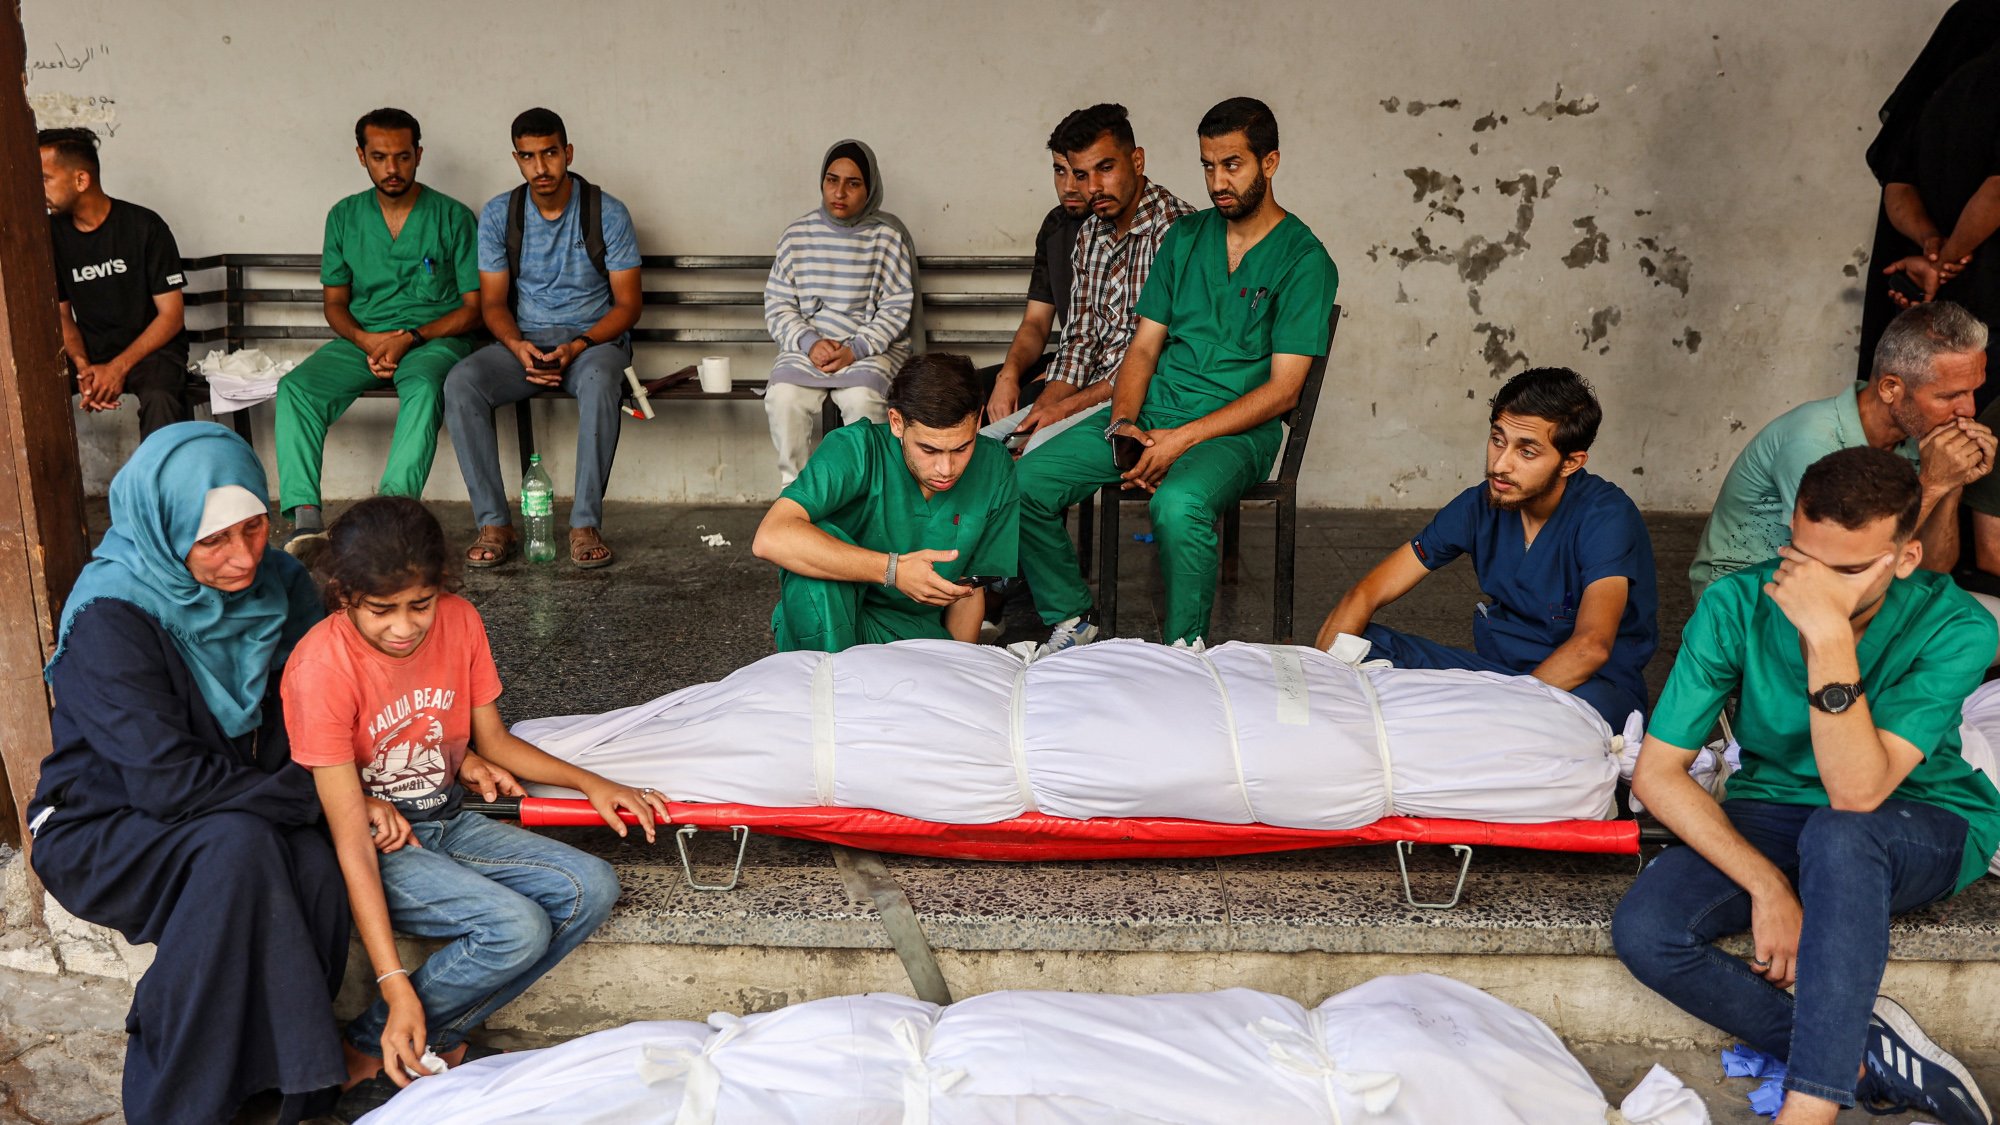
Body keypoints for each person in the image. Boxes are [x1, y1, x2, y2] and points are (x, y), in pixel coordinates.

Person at [1614, 447, 2000, 1125]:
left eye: (1844, 570)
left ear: (1905, 557)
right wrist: (1768, 885)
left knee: (1840, 832)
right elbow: (1657, 772)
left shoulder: (1957, 624)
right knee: (1647, 927)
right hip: (1777, 810)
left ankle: (1811, 1106)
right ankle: (1854, 1052)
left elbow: (1858, 793)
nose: (1813, 583)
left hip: (1919, 816)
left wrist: (1826, 635)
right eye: (1801, 557)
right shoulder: (1739, 601)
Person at [281, 496, 662, 1121]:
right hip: (375, 848)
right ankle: (384, 1037)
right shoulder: (321, 668)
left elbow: (496, 741)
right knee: (516, 927)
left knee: (592, 884)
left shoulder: (459, 622)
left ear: (440, 589)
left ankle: (393, 1039)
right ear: (343, 594)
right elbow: (349, 839)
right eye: (382, 611)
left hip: (446, 820)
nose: (404, 627)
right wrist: (392, 980)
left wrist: (592, 782)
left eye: (419, 605)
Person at [27, 423, 347, 1125]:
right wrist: (314, 792)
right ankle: (177, 1102)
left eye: (256, 527)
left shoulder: (283, 584)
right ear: (166, 529)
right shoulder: (113, 613)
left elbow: (314, 710)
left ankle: (284, 1091)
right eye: (214, 541)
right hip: (104, 821)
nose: (243, 558)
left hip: (237, 806)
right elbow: (165, 781)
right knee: (243, 851)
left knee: (316, 869)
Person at [1012, 97, 1338, 652]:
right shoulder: (1185, 239)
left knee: (1178, 504)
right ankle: (1072, 617)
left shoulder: (1305, 261)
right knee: (1024, 483)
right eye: (1208, 166)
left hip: (1235, 433)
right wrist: (1123, 426)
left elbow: (1283, 392)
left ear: (1271, 162)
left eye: (1232, 164)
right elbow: (1142, 349)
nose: (1217, 182)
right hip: (1156, 412)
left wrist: (1179, 442)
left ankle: (1186, 650)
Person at [1312, 367, 1657, 728]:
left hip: (1586, 688)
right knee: (1358, 642)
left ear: (1570, 462)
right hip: (1498, 679)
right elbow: (1367, 593)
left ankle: (1474, 727)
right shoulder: (1480, 505)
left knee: (1585, 719)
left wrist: (1502, 714)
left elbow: (1591, 646)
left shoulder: (1606, 516)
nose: (1500, 464)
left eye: (1527, 452)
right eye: (1497, 439)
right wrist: (1322, 676)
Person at [444, 108, 642, 570]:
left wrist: (578, 346)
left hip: (593, 346)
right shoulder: (500, 214)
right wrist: (517, 347)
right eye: (529, 156)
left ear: (567, 153)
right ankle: (495, 523)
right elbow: (492, 303)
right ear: (516, 158)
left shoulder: (605, 212)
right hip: (526, 344)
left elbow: (628, 305)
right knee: (461, 382)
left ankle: (584, 524)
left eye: (550, 153)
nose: (541, 167)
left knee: (598, 383)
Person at [1689, 301, 1992, 601]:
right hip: (1751, 601)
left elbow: (1930, 572)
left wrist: (1952, 483)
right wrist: (1933, 482)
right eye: (1949, 395)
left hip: (1850, 590)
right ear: (1890, 388)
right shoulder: (1814, 441)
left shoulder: (1920, 437)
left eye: (1972, 391)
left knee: (1977, 623)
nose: (1969, 409)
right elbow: (1845, 562)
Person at [275, 108, 481, 543]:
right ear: (361, 156)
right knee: (296, 389)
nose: (392, 168)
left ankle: (391, 514)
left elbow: (473, 309)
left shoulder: (452, 216)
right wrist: (365, 339)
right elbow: (335, 304)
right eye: (380, 157)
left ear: (419, 155)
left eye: (403, 157)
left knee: (425, 389)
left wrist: (411, 337)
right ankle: (307, 521)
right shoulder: (344, 217)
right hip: (362, 341)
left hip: (431, 341)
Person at [752, 353, 1018, 652]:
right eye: (928, 449)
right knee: (817, 547)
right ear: (896, 423)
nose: (946, 469)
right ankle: (830, 687)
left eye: (961, 448)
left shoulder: (994, 466)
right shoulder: (855, 449)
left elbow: (969, 590)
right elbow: (770, 537)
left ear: (979, 419)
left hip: (915, 634)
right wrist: (893, 570)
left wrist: (958, 668)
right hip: (831, 621)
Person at [989, 103, 1196, 455]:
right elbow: (1080, 344)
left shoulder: (1177, 231)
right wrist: (1042, 410)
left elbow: (1157, 356)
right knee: (983, 449)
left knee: (1034, 449)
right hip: (1089, 396)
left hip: (1145, 404)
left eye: (1105, 168)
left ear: (1137, 161)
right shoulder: (1090, 234)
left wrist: (1064, 409)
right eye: (1081, 175)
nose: (1093, 187)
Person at [1854, 3, 2000, 383]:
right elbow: (1997, 191)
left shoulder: (1938, 94)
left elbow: (1897, 186)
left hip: (1933, 303)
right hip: (1988, 298)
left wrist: (1930, 243)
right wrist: (1947, 259)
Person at [763, 139, 920, 485]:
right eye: (832, 180)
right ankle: (796, 495)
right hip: (809, 349)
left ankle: (864, 494)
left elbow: (896, 307)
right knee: (783, 397)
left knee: (864, 400)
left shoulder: (886, 237)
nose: (839, 192)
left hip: (868, 349)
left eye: (853, 183)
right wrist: (809, 342)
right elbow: (778, 303)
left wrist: (855, 349)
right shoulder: (797, 236)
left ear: (870, 188)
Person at [38, 126, 189, 438]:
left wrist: (117, 368)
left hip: (152, 350)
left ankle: (154, 487)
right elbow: (62, 315)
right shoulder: (50, 235)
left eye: (44, 179)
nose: (38, 190)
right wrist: (82, 365)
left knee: (161, 398)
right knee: (31, 389)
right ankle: (47, 488)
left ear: (81, 180)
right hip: (91, 352)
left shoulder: (144, 226)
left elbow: (171, 316)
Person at [979, 129, 1091, 424]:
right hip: (1068, 360)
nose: (1069, 186)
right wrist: (1009, 375)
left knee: (1027, 403)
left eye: (1079, 174)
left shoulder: (1115, 227)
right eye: (1059, 171)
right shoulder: (1055, 225)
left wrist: (1048, 378)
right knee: (966, 391)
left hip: (1099, 371)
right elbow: (1036, 323)